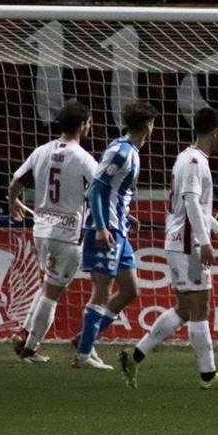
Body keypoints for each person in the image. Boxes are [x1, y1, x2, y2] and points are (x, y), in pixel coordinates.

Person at [119, 108, 218, 389]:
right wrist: (205, 241)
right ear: (214, 132)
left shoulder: (187, 158)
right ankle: (208, 375)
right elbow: (189, 203)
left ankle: (135, 356)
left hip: (181, 241)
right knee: (199, 307)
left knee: (186, 308)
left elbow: (195, 205)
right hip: (187, 243)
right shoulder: (196, 162)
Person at [7, 101, 99, 364]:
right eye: (89, 122)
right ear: (82, 126)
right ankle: (30, 347)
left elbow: (15, 182)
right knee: (52, 293)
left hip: (42, 230)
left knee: (47, 284)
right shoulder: (82, 158)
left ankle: (25, 333)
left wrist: (13, 201)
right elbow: (99, 191)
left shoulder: (42, 151)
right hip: (67, 233)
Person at [74, 101, 159, 370]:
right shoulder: (121, 152)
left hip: (119, 228)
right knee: (102, 291)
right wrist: (100, 226)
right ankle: (83, 355)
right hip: (106, 230)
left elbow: (113, 191)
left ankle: (85, 339)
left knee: (130, 290)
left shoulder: (131, 151)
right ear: (148, 125)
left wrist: (125, 214)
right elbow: (94, 190)